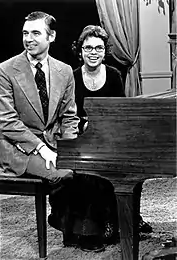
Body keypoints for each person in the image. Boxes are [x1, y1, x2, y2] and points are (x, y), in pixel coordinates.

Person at [48, 25, 152, 252]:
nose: (93, 52)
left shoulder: (114, 75)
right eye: (88, 48)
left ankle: (128, 218)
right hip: (78, 138)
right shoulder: (71, 77)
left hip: (108, 138)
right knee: (88, 173)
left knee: (134, 165)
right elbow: (65, 115)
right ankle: (88, 229)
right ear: (80, 51)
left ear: (105, 51)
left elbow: (119, 113)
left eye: (98, 47)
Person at [0, 11, 79, 190]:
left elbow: (69, 118)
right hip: (19, 150)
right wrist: (41, 148)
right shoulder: (5, 71)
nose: (28, 39)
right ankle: (60, 218)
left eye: (35, 33)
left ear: (51, 36)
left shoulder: (65, 71)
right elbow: (6, 122)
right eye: (25, 33)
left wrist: (69, 152)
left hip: (55, 145)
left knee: (86, 171)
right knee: (64, 176)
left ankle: (71, 219)